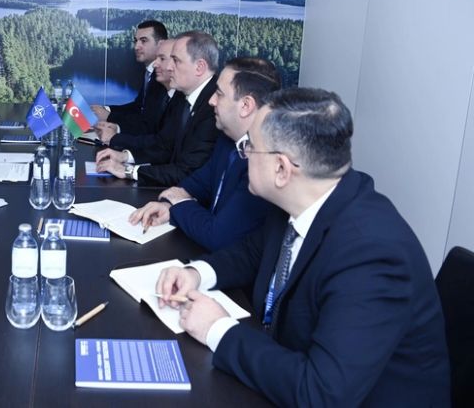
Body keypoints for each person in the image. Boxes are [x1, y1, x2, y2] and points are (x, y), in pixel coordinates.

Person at [156, 87, 450, 406]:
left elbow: (321, 393)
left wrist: (217, 329)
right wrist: (197, 273)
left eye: (250, 146)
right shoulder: (306, 196)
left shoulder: (372, 254)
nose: (244, 154)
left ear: (282, 169)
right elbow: (253, 252)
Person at [130, 57, 280, 251]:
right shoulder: (227, 140)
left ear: (245, 105)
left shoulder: (261, 160)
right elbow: (197, 184)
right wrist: (169, 207)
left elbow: (217, 235)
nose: (211, 101)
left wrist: (180, 204)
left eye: (219, 94)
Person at [96, 31, 221, 187]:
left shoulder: (213, 107)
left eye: (176, 61)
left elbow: (187, 171)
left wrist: (129, 171)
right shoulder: (184, 96)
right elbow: (165, 146)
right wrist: (125, 156)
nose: (169, 67)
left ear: (199, 67)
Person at [94, 39, 179, 150]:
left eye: (162, 59)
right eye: (135, 41)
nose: (155, 64)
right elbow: (148, 126)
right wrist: (116, 128)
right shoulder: (166, 94)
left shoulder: (179, 101)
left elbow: (159, 143)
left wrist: (115, 133)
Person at [91, 20, 169, 135]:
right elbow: (138, 107)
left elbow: (148, 125)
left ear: (161, 44)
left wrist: (109, 116)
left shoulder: (163, 78)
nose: (136, 46)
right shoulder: (149, 73)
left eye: (143, 41)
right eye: (136, 41)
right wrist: (106, 109)